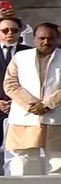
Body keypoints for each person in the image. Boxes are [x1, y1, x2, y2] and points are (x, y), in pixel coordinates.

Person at [4, 23, 61, 175]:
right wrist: (31, 104)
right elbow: (10, 84)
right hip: (24, 117)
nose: (46, 42)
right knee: (24, 160)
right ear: (34, 39)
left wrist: (48, 104)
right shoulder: (20, 57)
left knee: (58, 161)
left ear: (57, 39)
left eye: (51, 38)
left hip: (56, 118)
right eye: (42, 38)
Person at [0, 17, 31, 175]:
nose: (10, 33)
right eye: (5, 30)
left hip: (21, 107)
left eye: (14, 30)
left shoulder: (29, 52)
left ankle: (21, 176)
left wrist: (19, 101)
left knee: (22, 148)